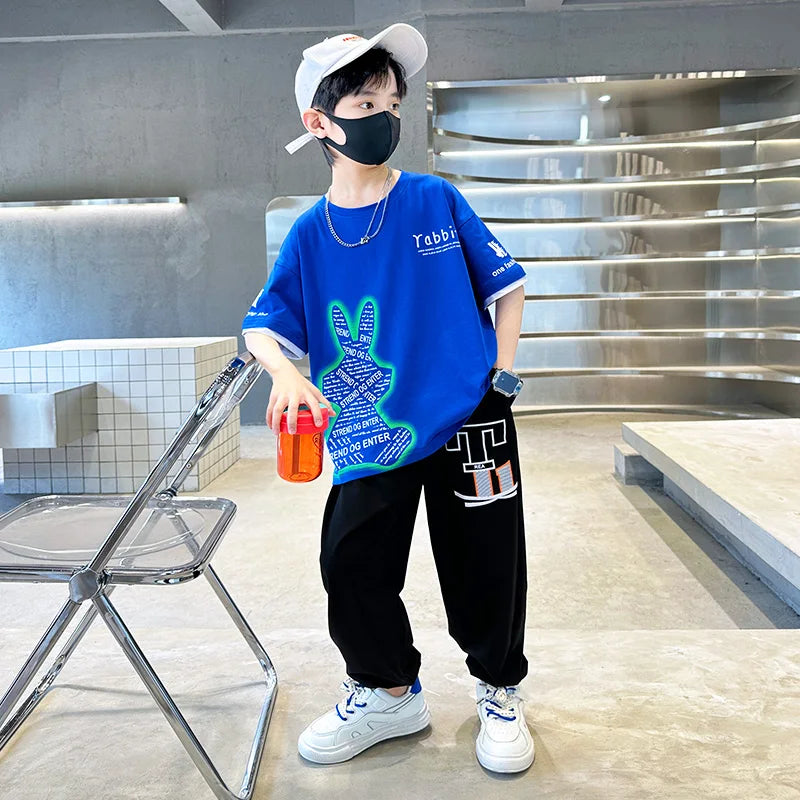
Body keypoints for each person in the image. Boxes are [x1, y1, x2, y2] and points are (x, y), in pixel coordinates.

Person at [242, 22, 533, 774]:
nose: (386, 117)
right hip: (371, 429)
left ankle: (499, 689)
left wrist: (501, 378)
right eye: (367, 103)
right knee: (351, 564)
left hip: (471, 414)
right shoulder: (310, 234)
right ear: (319, 122)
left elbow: (508, 286)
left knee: (487, 564)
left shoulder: (435, 200)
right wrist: (285, 374)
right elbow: (262, 326)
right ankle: (388, 691)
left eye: (393, 103)